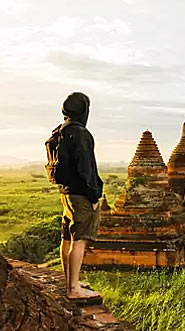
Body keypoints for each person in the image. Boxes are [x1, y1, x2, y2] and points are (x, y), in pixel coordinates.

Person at [46, 92, 104, 299]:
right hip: (81, 194)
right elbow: (85, 168)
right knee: (79, 240)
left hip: (66, 192)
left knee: (67, 238)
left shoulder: (59, 132)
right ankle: (73, 289)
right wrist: (94, 196)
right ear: (83, 111)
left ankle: (71, 280)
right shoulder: (80, 134)